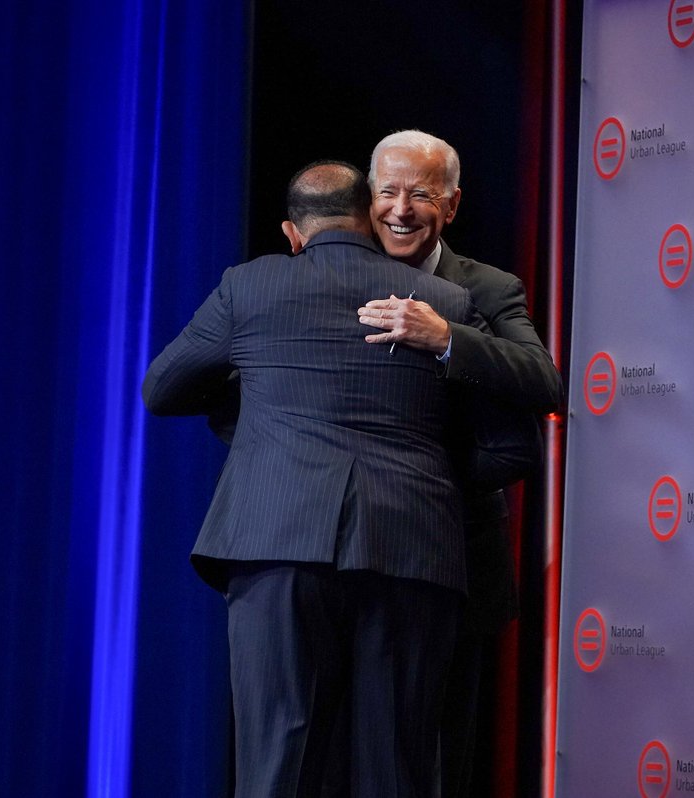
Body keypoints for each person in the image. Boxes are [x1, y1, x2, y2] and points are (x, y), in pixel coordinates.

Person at [143, 161, 485, 798]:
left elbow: (161, 389)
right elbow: (499, 440)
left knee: (279, 760)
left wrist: (255, 406)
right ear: (370, 219)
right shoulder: (441, 303)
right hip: (410, 545)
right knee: (398, 768)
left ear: (292, 232)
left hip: (277, 539)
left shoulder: (249, 286)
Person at [356, 130, 562, 796]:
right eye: (388, 192)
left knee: (440, 753)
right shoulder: (332, 275)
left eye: (420, 194)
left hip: (456, 554)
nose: (400, 210)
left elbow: (544, 381)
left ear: (451, 205)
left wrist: (447, 337)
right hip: (352, 555)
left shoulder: (487, 287)